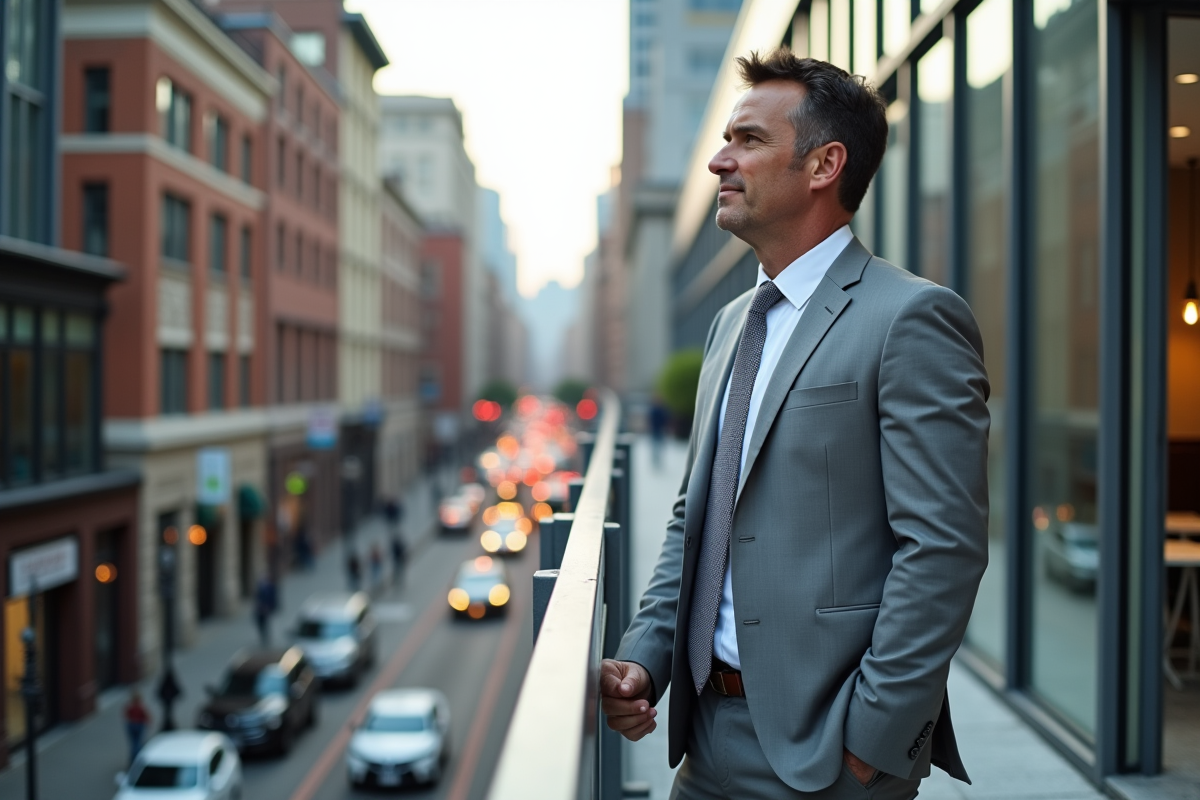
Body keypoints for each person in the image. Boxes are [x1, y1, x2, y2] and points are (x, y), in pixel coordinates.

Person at [600, 49, 990, 800]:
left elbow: (942, 547)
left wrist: (873, 736)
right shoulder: (727, 326)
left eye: (747, 140)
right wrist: (642, 658)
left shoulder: (911, 319)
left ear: (823, 166)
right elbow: (695, 519)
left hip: (828, 756)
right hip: (705, 742)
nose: (720, 161)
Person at [123, 690, 150, 766]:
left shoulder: (129, 707)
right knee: (138, 743)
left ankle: (133, 758)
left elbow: (126, 715)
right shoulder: (141, 707)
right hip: (139, 725)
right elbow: (146, 716)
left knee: (134, 743)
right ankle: (137, 759)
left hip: (131, 725)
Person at [253, 576, 277, 646]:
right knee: (260, 623)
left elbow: (272, 598)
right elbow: (257, 597)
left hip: (266, 608)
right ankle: (262, 635)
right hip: (260, 608)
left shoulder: (271, 587)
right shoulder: (260, 587)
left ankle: (266, 636)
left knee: (265, 623)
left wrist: (269, 607)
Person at [648, 397, 670, 469]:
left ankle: (658, 460)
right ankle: (655, 460)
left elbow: (665, 420)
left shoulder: (661, 410)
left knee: (659, 446)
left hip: (659, 430)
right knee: (655, 446)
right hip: (655, 430)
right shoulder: (655, 410)